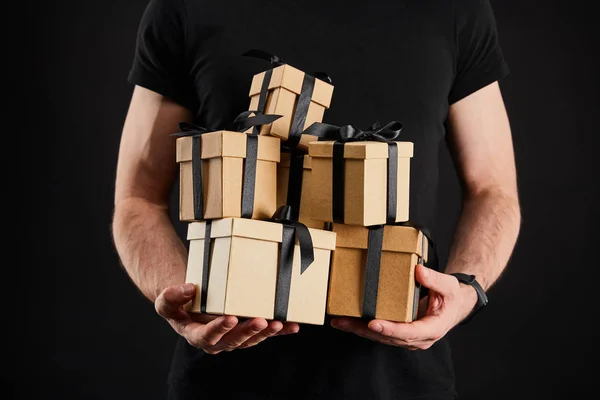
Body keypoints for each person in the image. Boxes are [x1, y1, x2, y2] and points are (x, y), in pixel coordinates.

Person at [112, 0, 521, 398]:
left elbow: (493, 190)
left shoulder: (456, 8)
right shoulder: (183, 7)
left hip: (400, 382)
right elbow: (138, 199)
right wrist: (185, 299)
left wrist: (467, 291)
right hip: (224, 380)